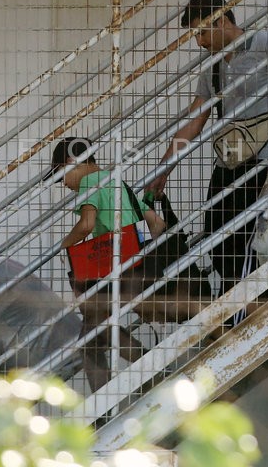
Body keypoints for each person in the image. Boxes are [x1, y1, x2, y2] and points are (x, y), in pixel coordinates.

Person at [146, 0, 268, 293]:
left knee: (254, 242)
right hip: (228, 165)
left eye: (201, 32)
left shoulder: (267, 44)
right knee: (216, 234)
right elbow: (193, 123)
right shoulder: (212, 70)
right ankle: (235, 310)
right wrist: (163, 170)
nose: (199, 42)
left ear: (222, 19)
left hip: (265, 165)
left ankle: (253, 309)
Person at [52, 136, 198, 391]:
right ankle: (151, 376)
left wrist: (63, 247)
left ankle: (147, 378)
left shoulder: (90, 182)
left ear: (70, 162)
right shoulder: (119, 184)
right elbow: (157, 224)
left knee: (94, 334)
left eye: (60, 176)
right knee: (94, 335)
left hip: (121, 273)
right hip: (139, 270)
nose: (63, 184)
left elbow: (86, 224)